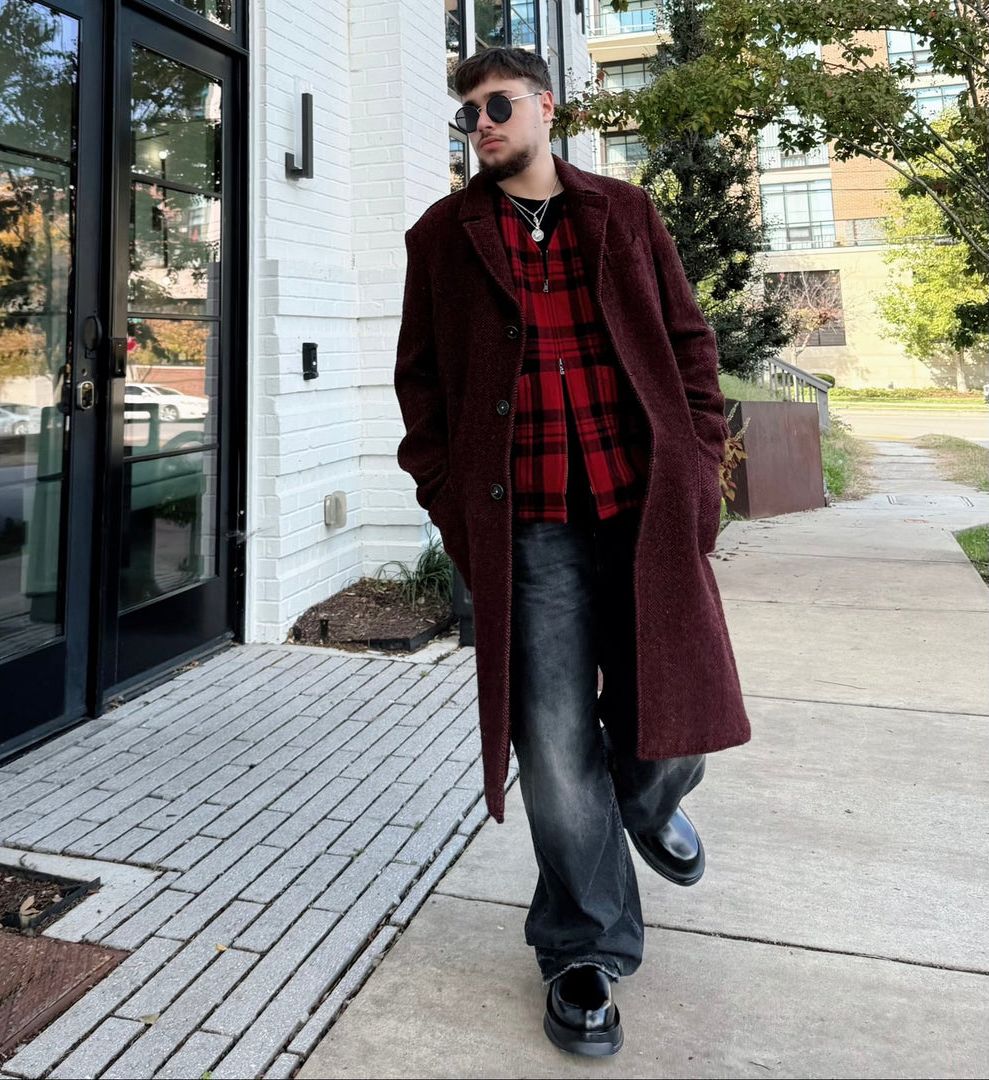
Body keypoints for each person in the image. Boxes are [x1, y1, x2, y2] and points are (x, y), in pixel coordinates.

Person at [394, 47, 750, 1057]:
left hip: (641, 509)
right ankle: (583, 951)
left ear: (546, 107)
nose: (482, 126)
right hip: (527, 527)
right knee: (554, 747)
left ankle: (649, 801)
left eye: (497, 106)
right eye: (466, 116)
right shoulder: (442, 238)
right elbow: (419, 390)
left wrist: (698, 460)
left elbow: (689, 344)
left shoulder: (624, 213)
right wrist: (451, 500)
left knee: (674, 717)